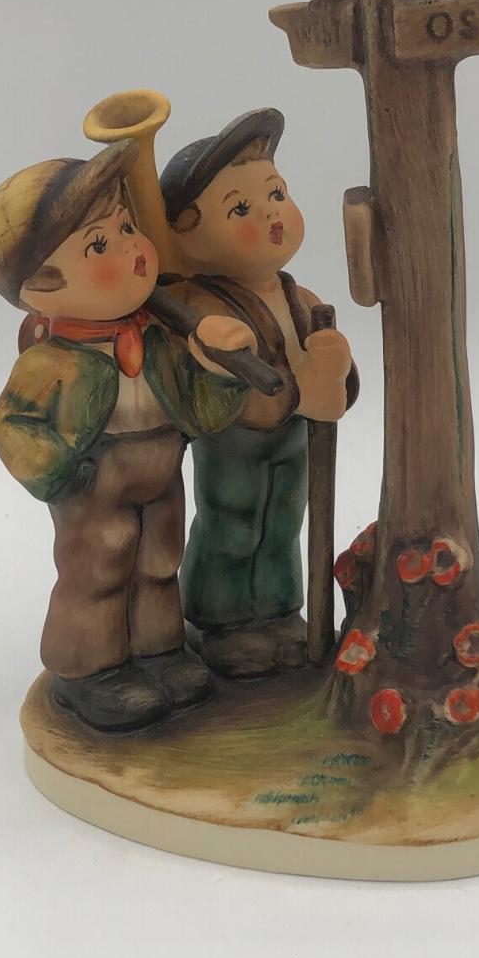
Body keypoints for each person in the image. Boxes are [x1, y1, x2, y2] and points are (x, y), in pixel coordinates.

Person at [0, 140, 256, 731]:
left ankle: (160, 653)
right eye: (99, 245)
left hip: (161, 472)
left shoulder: (158, 340)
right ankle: (90, 669)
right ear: (42, 283)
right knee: (100, 573)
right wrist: (64, 473)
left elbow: (199, 411)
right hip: (96, 485)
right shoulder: (50, 363)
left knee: (159, 563)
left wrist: (219, 370)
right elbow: (13, 425)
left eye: (127, 228)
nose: (131, 247)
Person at [159, 109, 357, 678]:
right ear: (186, 234)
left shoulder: (301, 298)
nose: (272, 212)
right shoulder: (203, 305)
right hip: (235, 445)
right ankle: (222, 621)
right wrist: (294, 389)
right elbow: (207, 372)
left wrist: (338, 365)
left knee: (283, 525)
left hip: (293, 443)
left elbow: (332, 380)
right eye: (240, 209)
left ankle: (277, 613)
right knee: (233, 524)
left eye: (276, 193)